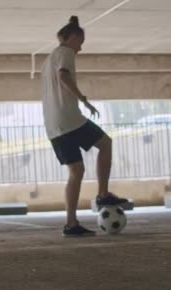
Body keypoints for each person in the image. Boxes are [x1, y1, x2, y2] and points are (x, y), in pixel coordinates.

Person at [41, 16, 128, 237]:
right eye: (81, 41)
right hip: (70, 119)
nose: (81, 47)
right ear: (73, 37)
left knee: (76, 172)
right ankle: (102, 194)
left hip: (54, 126)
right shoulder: (65, 53)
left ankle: (71, 224)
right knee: (106, 143)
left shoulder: (48, 59)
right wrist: (83, 99)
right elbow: (63, 76)